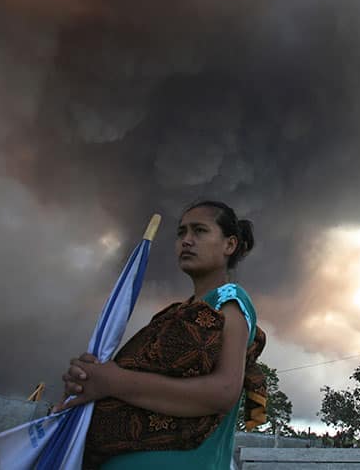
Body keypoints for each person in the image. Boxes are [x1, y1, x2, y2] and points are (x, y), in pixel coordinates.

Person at [55, 200, 265, 469]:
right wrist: (93, 376)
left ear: (230, 245)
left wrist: (113, 381)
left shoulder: (229, 300)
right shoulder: (177, 313)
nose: (186, 240)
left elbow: (224, 392)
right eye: (181, 233)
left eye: (199, 231)